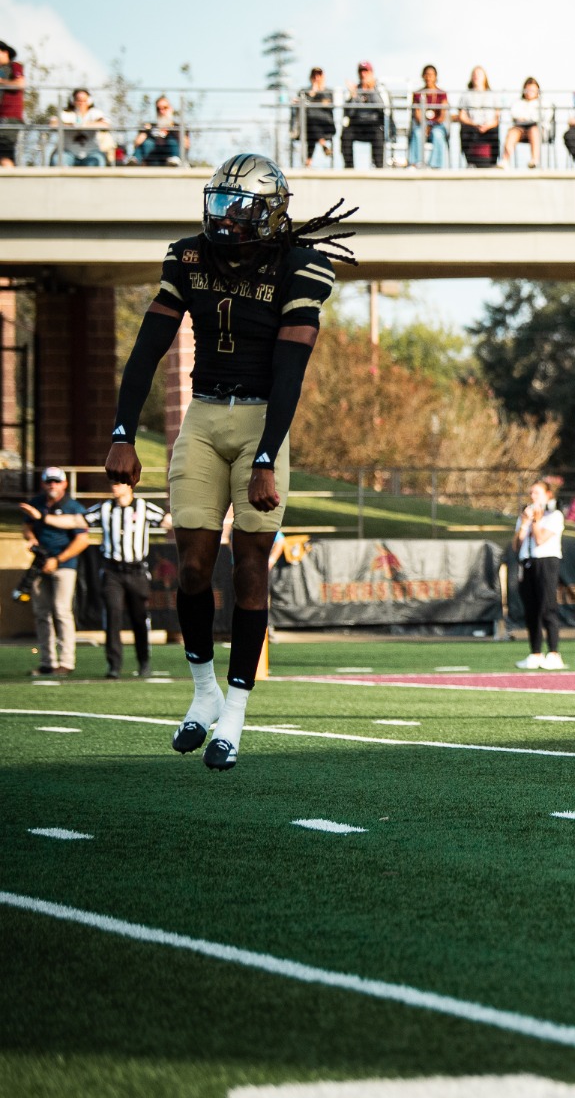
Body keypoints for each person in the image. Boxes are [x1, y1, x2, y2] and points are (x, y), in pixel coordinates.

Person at [103, 153, 354, 769]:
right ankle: (204, 691)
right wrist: (122, 431)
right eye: (220, 203)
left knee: (248, 569)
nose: (225, 217)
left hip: (263, 419)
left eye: (239, 207)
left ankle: (236, 713)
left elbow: (290, 370)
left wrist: (267, 454)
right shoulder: (190, 256)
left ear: (269, 214)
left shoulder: (300, 264)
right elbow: (149, 347)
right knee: (190, 566)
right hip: (203, 414)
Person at [82, 477, 169, 678]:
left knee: (139, 618)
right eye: (111, 482)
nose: (114, 486)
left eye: (118, 482)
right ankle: (114, 665)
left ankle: (144, 661)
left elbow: (168, 520)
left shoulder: (143, 507)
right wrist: (43, 519)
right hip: (112, 570)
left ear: (130, 485)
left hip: (137, 570)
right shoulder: (104, 508)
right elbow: (79, 520)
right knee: (113, 615)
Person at [20, 467, 88, 676]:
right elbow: (27, 526)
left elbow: (82, 539)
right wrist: (31, 539)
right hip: (40, 564)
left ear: (64, 484)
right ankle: (47, 661)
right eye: (49, 481)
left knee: (61, 611)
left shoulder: (72, 506)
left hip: (64, 564)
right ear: (43, 483)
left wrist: (58, 559)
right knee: (42, 613)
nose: (52, 485)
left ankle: (66, 662)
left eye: (56, 482)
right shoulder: (37, 503)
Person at [514, 479, 566, 669]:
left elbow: (540, 539)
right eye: (531, 493)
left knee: (547, 607)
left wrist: (535, 521)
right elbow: (516, 545)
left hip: (546, 561)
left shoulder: (554, 516)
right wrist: (524, 523)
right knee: (531, 609)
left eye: (536, 493)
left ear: (547, 495)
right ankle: (535, 653)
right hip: (527, 562)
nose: (532, 497)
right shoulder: (525, 515)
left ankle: (554, 653)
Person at [340, 62, 388, 169]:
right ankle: (349, 167)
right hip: (357, 124)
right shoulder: (354, 89)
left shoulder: (379, 89)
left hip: (374, 125)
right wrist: (354, 95)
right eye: (361, 71)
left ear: (371, 73)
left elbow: (382, 107)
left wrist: (371, 90)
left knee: (378, 134)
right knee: (346, 134)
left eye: (366, 71)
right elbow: (350, 112)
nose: (363, 74)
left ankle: (379, 167)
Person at [54, 87, 112, 166]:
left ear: (89, 101)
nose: (81, 103)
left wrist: (85, 125)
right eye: (78, 100)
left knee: (97, 161)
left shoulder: (95, 113)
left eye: (84, 100)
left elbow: (105, 125)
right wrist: (71, 125)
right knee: (58, 160)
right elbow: (53, 123)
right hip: (68, 153)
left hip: (91, 153)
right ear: (73, 101)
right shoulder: (66, 113)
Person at [407, 64, 450, 169]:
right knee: (417, 133)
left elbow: (443, 115)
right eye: (426, 74)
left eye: (431, 75)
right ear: (423, 76)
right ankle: (415, 164)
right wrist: (424, 126)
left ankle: (434, 165)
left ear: (435, 76)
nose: (428, 77)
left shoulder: (442, 94)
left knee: (438, 134)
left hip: (437, 126)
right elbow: (417, 114)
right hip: (422, 125)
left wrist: (432, 126)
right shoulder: (417, 94)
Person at [458, 65, 503, 168]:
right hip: (472, 126)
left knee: (495, 131)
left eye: (479, 74)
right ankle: (470, 162)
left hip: (489, 127)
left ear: (485, 77)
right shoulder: (466, 95)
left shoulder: (493, 95)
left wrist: (488, 125)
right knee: (465, 130)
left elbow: (497, 116)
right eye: (474, 74)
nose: (476, 76)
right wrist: (474, 124)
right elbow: (462, 115)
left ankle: (493, 161)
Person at [294, 67, 337, 168]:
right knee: (311, 125)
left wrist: (319, 93)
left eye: (319, 75)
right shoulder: (304, 91)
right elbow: (301, 104)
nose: (317, 78)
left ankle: (308, 161)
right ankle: (323, 144)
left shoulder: (328, 92)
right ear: (310, 77)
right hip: (309, 125)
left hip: (325, 124)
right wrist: (312, 94)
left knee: (312, 126)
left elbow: (328, 105)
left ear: (323, 77)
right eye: (314, 75)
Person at [130, 95, 184, 166]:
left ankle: (175, 160)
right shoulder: (150, 126)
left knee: (172, 141)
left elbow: (185, 144)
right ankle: (134, 161)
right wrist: (146, 132)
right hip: (152, 158)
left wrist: (171, 127)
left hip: (170, 159)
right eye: (158, 109)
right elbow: (137, 143)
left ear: (171, 109)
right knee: (148, 143)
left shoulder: (177, 127)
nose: (161, 111)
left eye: (165, 108)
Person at [504, 76, 544, 169]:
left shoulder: (543, 103)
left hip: (536, 130)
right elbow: (514, 115)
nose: (530, 93)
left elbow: (541, 118)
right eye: (528, 90)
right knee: (512, 132)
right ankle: (505, 160)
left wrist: (526, 118)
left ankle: (534, 160)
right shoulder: (518, 103)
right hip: (520, 129)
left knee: (534, 130)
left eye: (532, 90)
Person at [0, 39, 26, 167]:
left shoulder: (14, 66)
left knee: (4, 151)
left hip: (9, 117)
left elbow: (20, 84)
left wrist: (1, 82)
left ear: (5, 52)